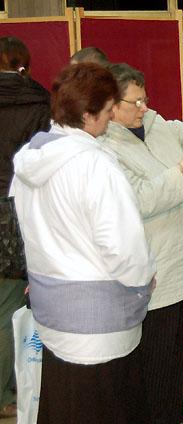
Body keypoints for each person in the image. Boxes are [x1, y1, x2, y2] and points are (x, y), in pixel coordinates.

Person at [10, 63, 156, 424]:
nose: (110, 120)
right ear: (89, 115)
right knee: (107, 406)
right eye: (108, 111)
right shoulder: (95, 166)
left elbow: (28, 230)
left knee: (63, 406)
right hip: (99, 326)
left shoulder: (32, 157)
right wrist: (144, 279)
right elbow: (123, 249)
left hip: (53, 313)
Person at [102, 62, 183, 424]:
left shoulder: (154, 125)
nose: (144, 107)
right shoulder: (103, 149)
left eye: (145, 99)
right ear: (111, 106)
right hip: (153, 280)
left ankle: (171, 417)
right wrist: (179, 174)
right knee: (154, 369)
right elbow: (136, 201)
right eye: (136, 102)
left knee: (178, 360)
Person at [0, 35, 50, 419]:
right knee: (12, 303)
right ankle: (16, 386)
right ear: (25, 64)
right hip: (20, 212)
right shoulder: (40, 102)